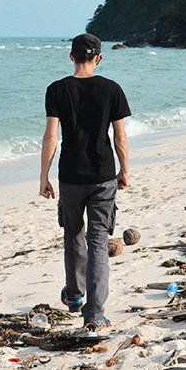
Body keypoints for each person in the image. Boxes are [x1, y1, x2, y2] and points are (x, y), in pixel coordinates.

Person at [39, 33, 131, 329]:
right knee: (98, 241)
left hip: (70, 176)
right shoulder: (112, 89)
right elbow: (119, 136)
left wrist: (44, 176)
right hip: (103, 175)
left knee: (73, 235)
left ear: (71, 57)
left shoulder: (57, 90)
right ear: (98, 58)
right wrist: (124, 169)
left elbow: (52, 135)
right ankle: (94, 315)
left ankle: (75, 295)